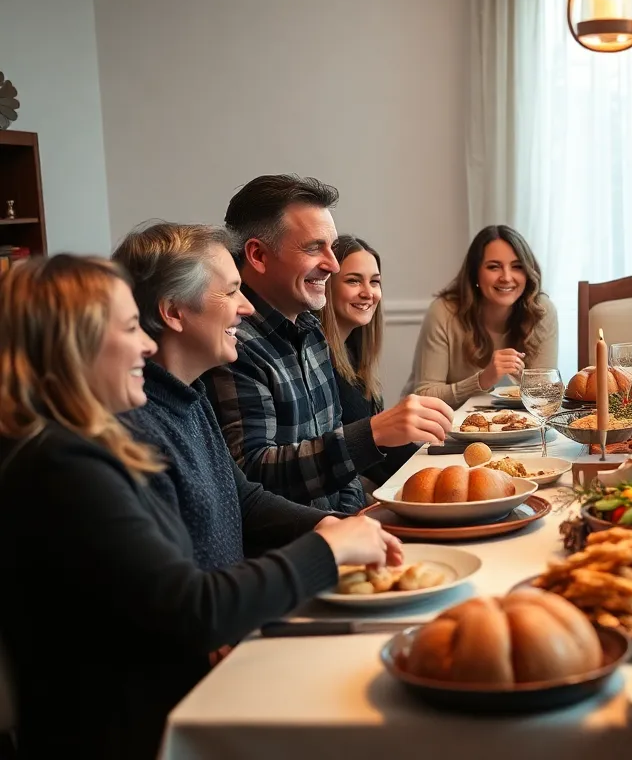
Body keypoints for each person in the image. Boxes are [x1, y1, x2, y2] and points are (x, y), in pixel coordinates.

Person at [0, 255, 403, 759]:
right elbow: (192, 609)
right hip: (138, 729)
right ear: (69, 345)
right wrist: (326, 548)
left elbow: (199, 557)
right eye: (129, 328)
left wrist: (334, 529)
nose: (147, 345)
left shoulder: (84, 442)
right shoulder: (62, 464)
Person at [203, 175, 453, 512]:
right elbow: (254, 475)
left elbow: (343, 470)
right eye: (313, 247)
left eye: (331, 248)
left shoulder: (312, 332)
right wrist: (372, 433)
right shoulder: (233, 344)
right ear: (258, 255)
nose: (332, 265)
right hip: (297, 549)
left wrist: (351, 517)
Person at [115, 222, 342, 569]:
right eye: (232, 291)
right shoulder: (137, 429)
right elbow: (186, 601)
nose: (247, 307)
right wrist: (323, 550)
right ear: (174, 311)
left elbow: (245, 500)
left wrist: (330, 525)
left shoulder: (190, 395)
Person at [405, 225, 558, 407]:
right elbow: (424, 395)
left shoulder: (541, 311)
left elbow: (547, 396)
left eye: (517, 267)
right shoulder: (443, 312)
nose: (506, 277)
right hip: (442, 427)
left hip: (515, 425)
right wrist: (483, 380)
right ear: (475, 274)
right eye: (494, 267)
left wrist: (527, 381)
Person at [319, 235, 416, 492]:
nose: (368, 293)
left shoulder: (354, 353)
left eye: (375, 282)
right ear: (326, 285)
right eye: (353, 280)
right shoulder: (318, 361)